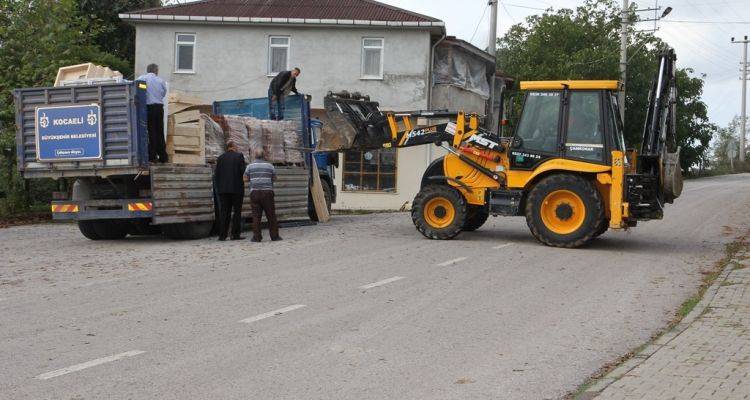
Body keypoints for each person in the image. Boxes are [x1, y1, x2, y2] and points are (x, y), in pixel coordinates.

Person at [244, 148, 281, 242]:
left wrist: (253, 180)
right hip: (267, 193)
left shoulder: (249, 166)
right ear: (264, 156)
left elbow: (245, 179)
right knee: (271, 215)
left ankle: (257, 237)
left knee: (256, 216)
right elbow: (275, 178)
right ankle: (275, 236)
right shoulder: (270, 166)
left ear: (255, 156)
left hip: (255, 193)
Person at [215, 141, 247, 241]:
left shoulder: (220, 158)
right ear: (233, 147)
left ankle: (222, 235)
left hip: (223, 190)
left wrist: (220, 187)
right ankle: (235, 234)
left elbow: (217, 174)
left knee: (224, 212)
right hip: (236, 189)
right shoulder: (239, 156)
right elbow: (243, 172)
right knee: (237, 212)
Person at [137, 64, 169, 163]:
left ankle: (152, 156)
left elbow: (138, 89)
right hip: (159, 108)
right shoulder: (160, 81)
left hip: (148, 108)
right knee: (159, 132)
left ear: (148, 70)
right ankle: (163, 157)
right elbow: (163, 93)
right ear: (156, 70)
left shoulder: (142, 79)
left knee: (150, 132)